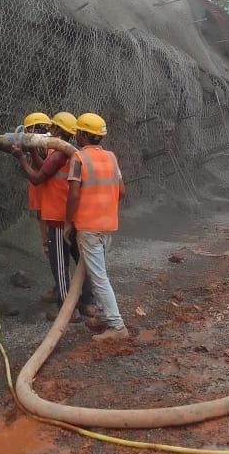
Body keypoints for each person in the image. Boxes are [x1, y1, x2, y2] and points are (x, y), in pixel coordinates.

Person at [15, 112, 95, 319]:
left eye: (52, 127)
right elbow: (45, 166)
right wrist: (32, 152)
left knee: (59, 263)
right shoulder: (69, 153)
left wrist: (21, 157)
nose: (48, 130)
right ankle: (87, 303)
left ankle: (67, 309)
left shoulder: (60, 154)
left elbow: (37, 177)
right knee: (80, 260)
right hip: (72, 216)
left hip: (59, 218)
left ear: (58, 129)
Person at [67, 112, 129, 341]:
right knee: (99, 273)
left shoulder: (78, 158)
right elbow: (122, 191)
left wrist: (68, 222)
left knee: (99, 277)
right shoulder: (111, 158)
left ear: (83, 135)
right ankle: (104, 316)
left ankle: (117, 326)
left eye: (78, 131)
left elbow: (74, 195)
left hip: (88, 226)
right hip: (107, 224)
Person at [20, 112, 55, 303]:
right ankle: (62, 286)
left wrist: (22, 155)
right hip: (44, 207)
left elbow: (38, 174)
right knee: (52, 249)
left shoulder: (46, 148)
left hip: (50, 208)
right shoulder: (49, 147)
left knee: (54, 249)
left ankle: (63, 289)